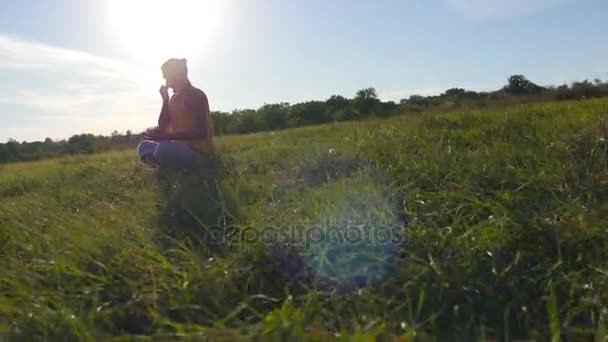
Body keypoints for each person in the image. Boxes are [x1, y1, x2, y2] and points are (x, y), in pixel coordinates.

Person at [137, 58, 214, 170]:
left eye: (166, 77)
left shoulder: (195, 95)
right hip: (179, 149)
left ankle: (165, 166)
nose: (166, 82)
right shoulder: (173, 99)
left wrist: (168, 137)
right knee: (144, 146)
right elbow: (164, 127)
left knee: (165, 148)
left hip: (200, 154)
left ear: (177, 75)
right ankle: (166, 166)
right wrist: (165, 100)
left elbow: (201, 132)